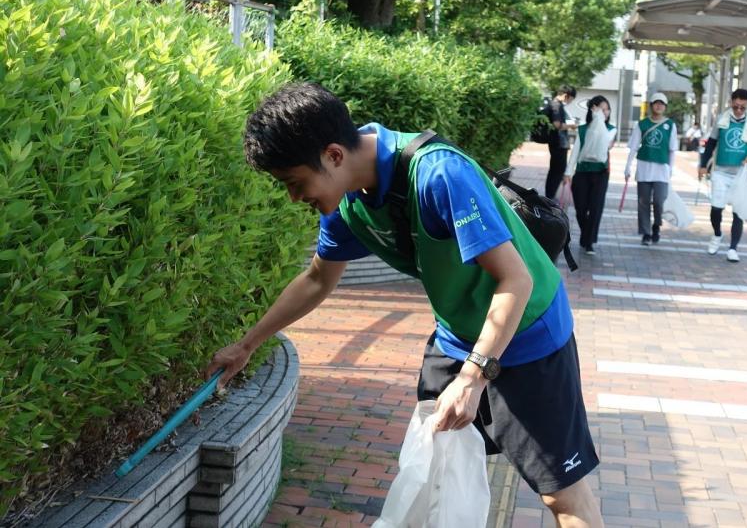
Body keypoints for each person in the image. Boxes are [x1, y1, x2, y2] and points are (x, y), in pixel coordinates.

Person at [205, 82, 604, 527]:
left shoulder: (438, 174)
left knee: (560, 497)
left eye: (296, 183)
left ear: (334, 155)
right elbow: (317, 279)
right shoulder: (347, 205)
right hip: (456, 338)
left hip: (529, 339)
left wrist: (472, 379)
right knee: (435, 476)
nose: (294, 198)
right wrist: (246, 345)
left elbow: (516, 279)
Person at [697, 88, 747, 262]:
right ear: (731, 103)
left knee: (738, 212)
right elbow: (711, 142)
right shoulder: (722, 119)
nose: (738, 110)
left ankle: (733, 248)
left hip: (741, 173)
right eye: (736, 106)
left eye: (742, 107)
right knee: (716, 208)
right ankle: (717, 234)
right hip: (721, 171)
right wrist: (703, 164)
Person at [623, 92, 678, 246]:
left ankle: (656, 226)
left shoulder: (670, 125)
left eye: (662, 103)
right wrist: (627, 167)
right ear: (651, 105)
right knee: (643, 202)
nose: (659, 106)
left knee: (660, 201)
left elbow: (672, 149)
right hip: (644, 168)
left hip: (662, 170)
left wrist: (671, 169)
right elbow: (633, 147)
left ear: (665, 107)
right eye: (656, 103)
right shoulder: (642, 124)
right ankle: (646, 233)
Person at [564, 95, 617, 255]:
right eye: (601, 108)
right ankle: (587, 234)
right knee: (580, 209)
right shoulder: (582, 128)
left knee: (595, 208)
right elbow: (576, 151)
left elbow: (604, 142)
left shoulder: (611, 129)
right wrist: (568, 172)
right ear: (593, 109)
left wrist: (598, 119)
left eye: (607, 109)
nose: (605, 112)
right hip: (582, 173)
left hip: (600, 173)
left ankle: (589, 241)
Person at [544, 85, 577, 199]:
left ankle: (550, 196)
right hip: (558, 143)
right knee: (557, 171)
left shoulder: (555, 104)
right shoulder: (557, 106)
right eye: (571, 99)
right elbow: (557, 125)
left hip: (556, 143)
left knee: (554, 170)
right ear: (566, 95)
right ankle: (550, 197)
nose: (570, 102)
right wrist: (571, 125)